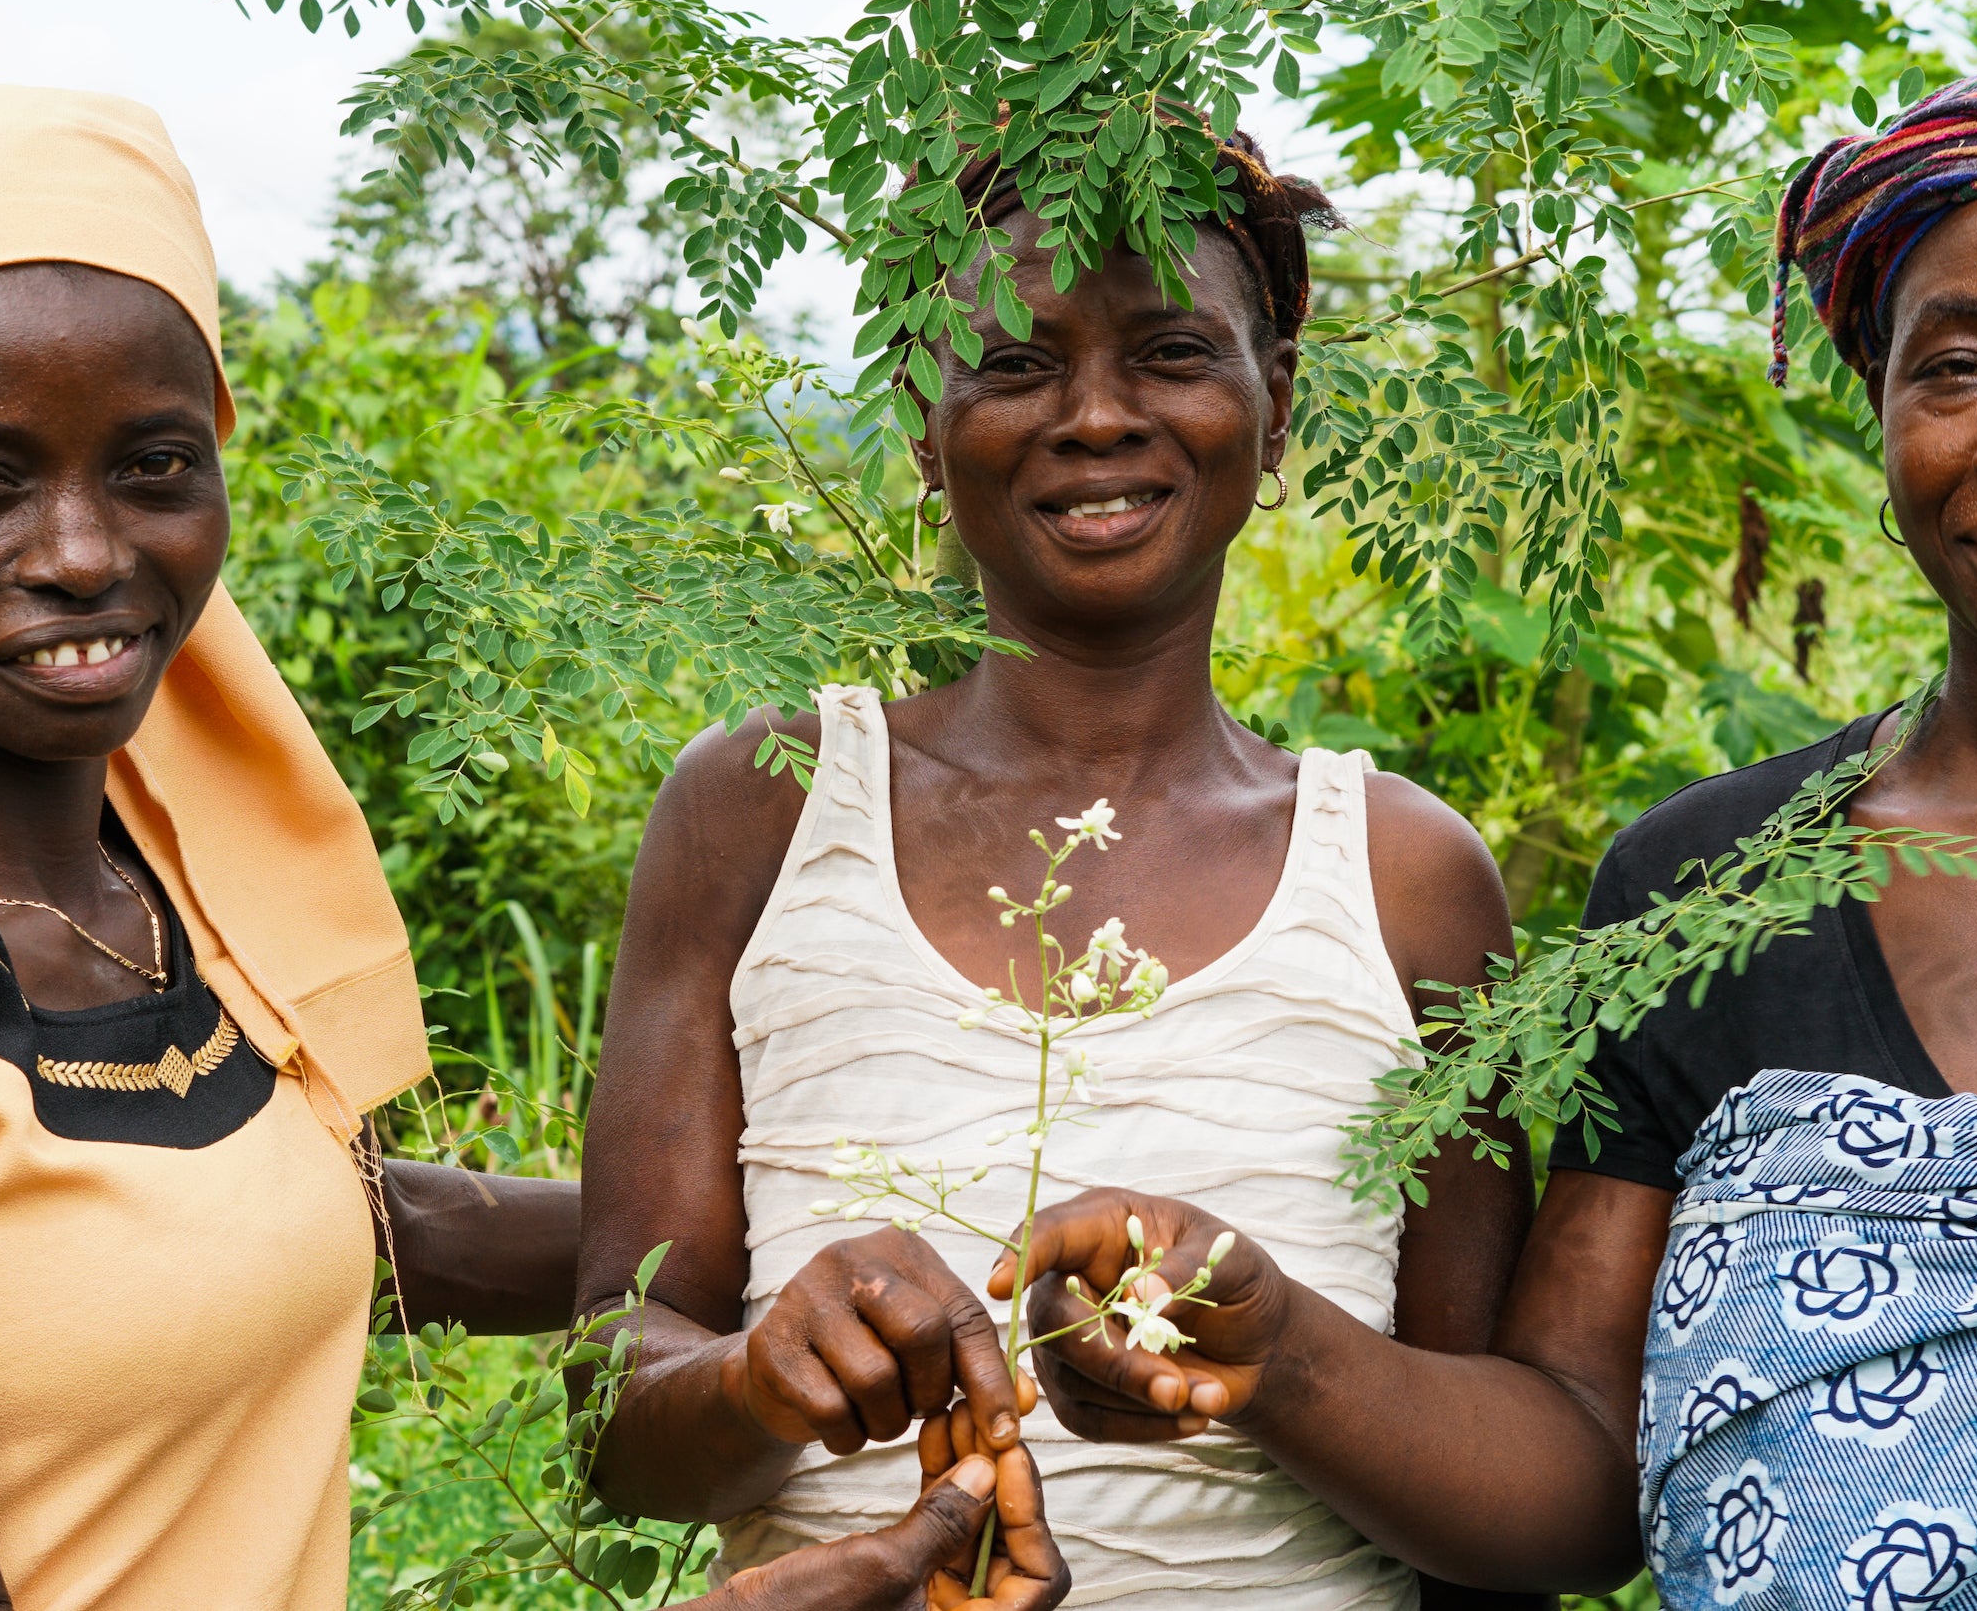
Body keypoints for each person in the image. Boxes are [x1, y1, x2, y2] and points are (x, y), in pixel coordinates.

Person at [956, 46, 1977, 1607]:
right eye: (1957, 366)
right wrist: (1280, 1353)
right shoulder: (1698, 887)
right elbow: (1581, 1483)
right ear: (1880, 408)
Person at [0, 84, 1063, 1611]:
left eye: (153, 464)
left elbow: (343, 1219)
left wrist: (903, 1215)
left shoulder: (162, 878)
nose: (81, 552)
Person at [576, 127, 1536, 1608]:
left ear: (1276, 404)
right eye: (1014, 362)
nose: (1095, 415)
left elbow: (1515, 1504)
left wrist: (1278, 1359)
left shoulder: (1407, 876)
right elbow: (610, 1409)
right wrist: (764, 1378)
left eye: (1169, 351)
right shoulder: (759, 808)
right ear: (918, 407)